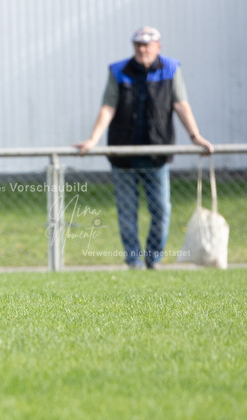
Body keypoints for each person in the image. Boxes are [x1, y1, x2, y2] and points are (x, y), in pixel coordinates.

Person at [75, 27, 214, 270]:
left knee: (161, 210)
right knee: (127, 211)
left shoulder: (170, 69)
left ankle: (153, 258)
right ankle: (133, 260)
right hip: (123, 154)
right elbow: (108, 107)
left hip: (156, 154)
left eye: (147, 45)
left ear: (158, 46)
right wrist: (93, 140)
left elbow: (181, 105)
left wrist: (195, 136)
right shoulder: (119, 71)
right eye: (138, 45)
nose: (142, 49)